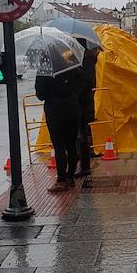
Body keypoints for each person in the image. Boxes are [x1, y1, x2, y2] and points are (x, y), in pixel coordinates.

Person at [35, 67, 84, 192]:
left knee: (59, 147)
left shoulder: (44, 71)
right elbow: (81, 83)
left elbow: (40, 95)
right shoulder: (72, 66)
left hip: (55, 112)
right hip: (72, 109)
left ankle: (61, 180)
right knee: (71, 144)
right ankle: (70, 177)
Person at [75, 39, 100, 177]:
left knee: (81, 134)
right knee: (83, 132)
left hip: (82, 103)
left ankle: (84, 166)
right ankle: (85, 160)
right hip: (86, 103)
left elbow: (86, 84)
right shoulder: (89, 59)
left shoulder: (85, 61)